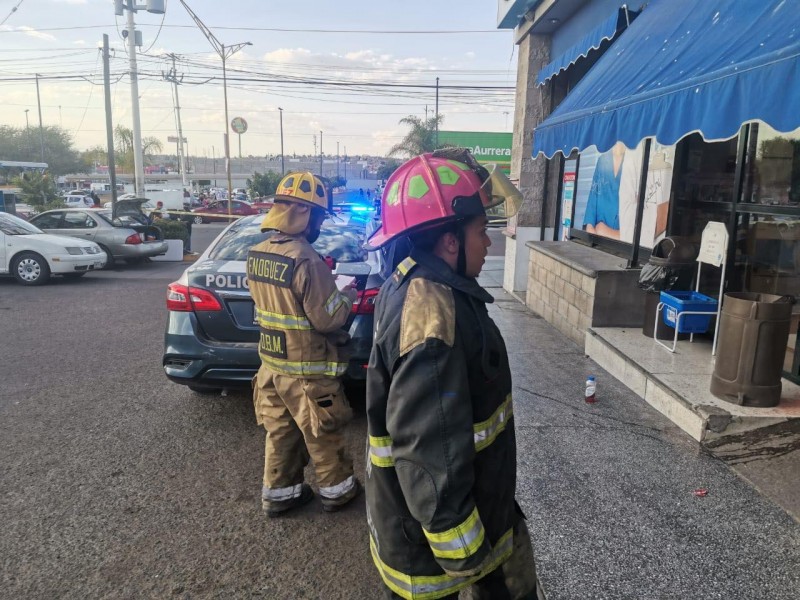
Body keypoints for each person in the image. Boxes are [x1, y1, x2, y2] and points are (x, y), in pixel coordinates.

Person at [364, 149, 538, 600]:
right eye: (481, 231)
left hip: (464, 510)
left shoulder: (416, 282)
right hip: (439, 545)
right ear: (449, 241)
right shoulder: (431, 318)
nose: (490, 243)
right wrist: (467, 553)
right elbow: (429, 448)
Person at [247, 171, 361, 517]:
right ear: (305, 214)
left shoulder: (257, 252)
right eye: (320, 217)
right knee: (322, 432)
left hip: (271, 368)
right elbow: (328, 319)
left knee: (280, 432)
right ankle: (339, 492)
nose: (320, 225)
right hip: (308, 371)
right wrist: (346, 295)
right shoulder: (306, 258)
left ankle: (279, 495)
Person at [583, 141, 626, 239]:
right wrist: (590, 225)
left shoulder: (631, 161)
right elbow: (593, 193)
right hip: (598, 230)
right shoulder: (602, 160)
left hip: (620, 230)